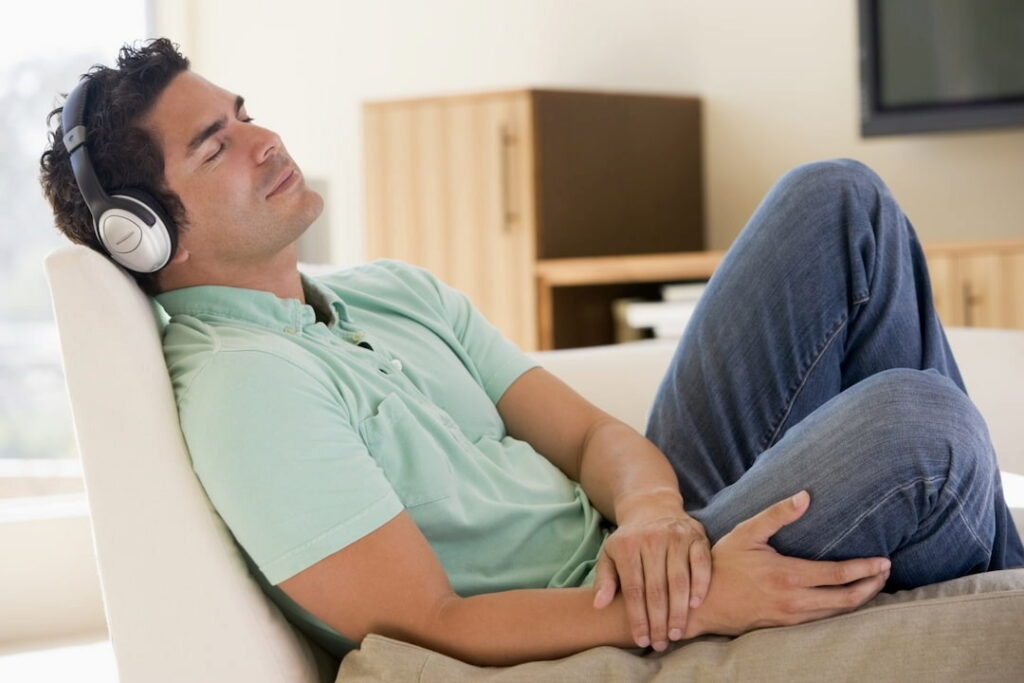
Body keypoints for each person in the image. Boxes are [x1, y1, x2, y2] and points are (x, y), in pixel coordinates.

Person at [40, 39, 1023, 668]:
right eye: (215, 146)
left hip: (643, 542)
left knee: (835, 197)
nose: (264, 139)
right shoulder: (244, 389)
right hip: (593, 609)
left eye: (244, 109)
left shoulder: (390, 290)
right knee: (917, 424)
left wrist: (648, 510)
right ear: (144, 235)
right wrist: (690, 599)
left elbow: (597, 437)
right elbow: (425, 622)